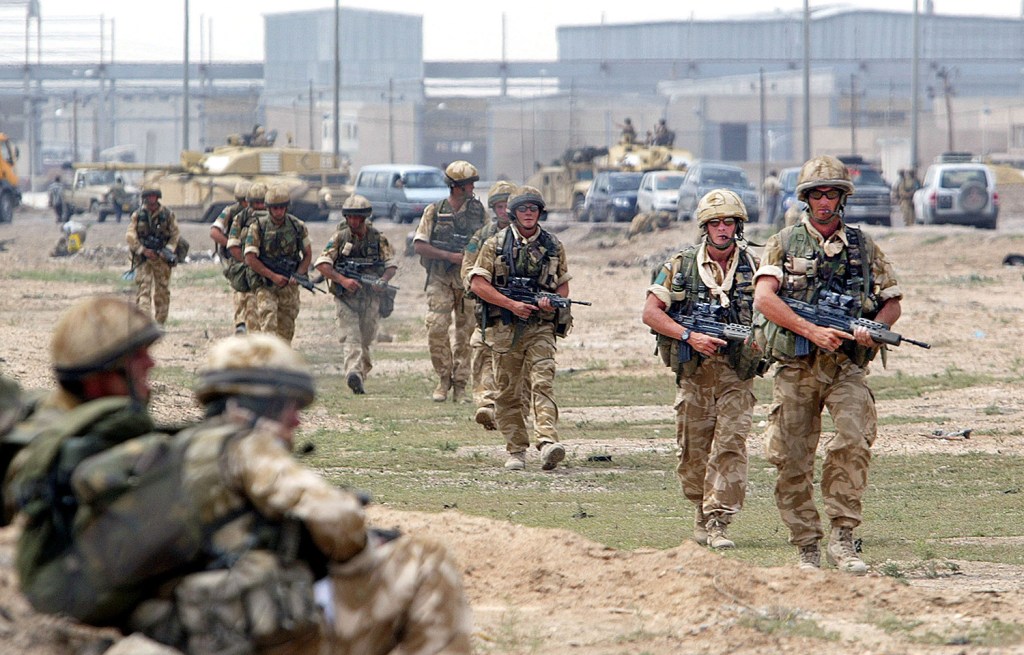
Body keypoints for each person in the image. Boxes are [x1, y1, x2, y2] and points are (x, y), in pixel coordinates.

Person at [752, 155, 903, 574]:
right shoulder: (783, 242)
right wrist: (810, 329)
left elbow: (892, 301)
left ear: (842, 199)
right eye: (816, 194)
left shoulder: (863, 245)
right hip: (797, 368)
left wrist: (873, 328)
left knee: (854, 441)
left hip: (846, 367)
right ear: (805, 199)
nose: (824, 202)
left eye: (831, 194)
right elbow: (764, 298)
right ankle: (806, 545)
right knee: (791, 457)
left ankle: (843, 536)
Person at [3, 296, 163, 623]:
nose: (151, 363)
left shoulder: (57, 415)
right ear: (98, 379)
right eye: (136, 356)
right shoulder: (64, 452)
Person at [643, 189, 763, 550]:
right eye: (715, 223)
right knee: (693, 453)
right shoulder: (680, 266)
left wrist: (761, 340)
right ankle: (699, 507)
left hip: (735, 374)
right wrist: (689, 335)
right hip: (694, 373)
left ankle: (718, 520)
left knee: (730, 445)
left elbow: (774, 309)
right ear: (704, 228)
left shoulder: (756, 268)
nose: (722, 229)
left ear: (738, 226)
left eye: (728, 222)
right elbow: (651, 313)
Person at [468, 186, 572, 472]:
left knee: (542, 382)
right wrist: (511, 304)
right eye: (523, 209)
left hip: (540, 327)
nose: (529, 214)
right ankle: (516, 449)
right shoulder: (495, 244)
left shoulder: (552, 245)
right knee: (507, 392)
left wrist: (551, 302)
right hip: (504, 328)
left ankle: (548, 441)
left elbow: (562, 284)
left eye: (534, 209)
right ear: (514, 213)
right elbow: (478, 284)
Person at [413, 160, 487, 403]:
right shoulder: (434, 210)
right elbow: (420, 245)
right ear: (456, 187)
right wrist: (449, 256)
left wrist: (470, 258)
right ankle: (443, 378)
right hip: (440, 278)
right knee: (436, 328)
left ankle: (461, 385)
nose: (472, 188)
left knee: (466, 335)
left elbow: (490, 243)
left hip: (467, 281)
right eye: (468, 184)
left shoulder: (479, 213)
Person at [315, 194, 398, 395]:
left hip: (370, 297)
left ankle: (361, 371)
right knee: (351, 338)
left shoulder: (378, 239)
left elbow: (391, 265)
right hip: (345, 298)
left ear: (364, 217)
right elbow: (322, 264)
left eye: (357, 217)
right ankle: (353, 372)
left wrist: (383, 281)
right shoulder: (339, 238)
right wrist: (343, 280)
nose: (353, 221)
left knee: (366, 339)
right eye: (350, 217)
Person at [462, 180, 518, 430]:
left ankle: (509, 407)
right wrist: (478, 287)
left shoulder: (529, 236)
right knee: (481, 352)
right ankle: (487, 405)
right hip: (488, 310)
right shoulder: (483, 236)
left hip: (520, 313)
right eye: (499, 206)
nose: (504, 210)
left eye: (508, 205)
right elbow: (468, 268)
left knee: (512, 364)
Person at [243, 184, 312, 344]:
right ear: (268, 208)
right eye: (275, 208)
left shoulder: (297, 226)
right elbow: (250, 258)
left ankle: (281, 363)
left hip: (289, 285)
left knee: (286, 328)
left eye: (282, 207)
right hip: (266, 283)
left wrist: (299, 274)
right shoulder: (258, 226)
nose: (279, 212)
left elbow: (307, 254)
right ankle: (268, 363)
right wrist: (273, 276)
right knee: (268, 322)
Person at [126, 184, 180, 325]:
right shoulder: (138, 215)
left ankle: (160, 323)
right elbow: (130, 235)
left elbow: (175, 234)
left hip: (161, 258)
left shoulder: (167, 214)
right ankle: (144, 324)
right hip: (143, 258)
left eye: (154, 197)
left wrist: (167, 251)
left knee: (162, 291)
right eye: (149, 197)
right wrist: (142, 250)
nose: (151, 200)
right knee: (143, 289)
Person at [227, 181, 268, 334]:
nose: (258, 207)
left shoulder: (278, 218)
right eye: (254, 203)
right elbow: (232, 244)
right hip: (251, 270)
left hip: (273, 273)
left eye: (261, 203)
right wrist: (249, 262)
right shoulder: (241, 217)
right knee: (251, 309)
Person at [211, 180, 251, 333]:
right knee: (240, 289)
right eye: (243, 201)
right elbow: (214, 232)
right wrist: (231, 244)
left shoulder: (260, 211)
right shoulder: (231, 211)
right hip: (235, 258)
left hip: (253, 256)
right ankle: (241, 322)